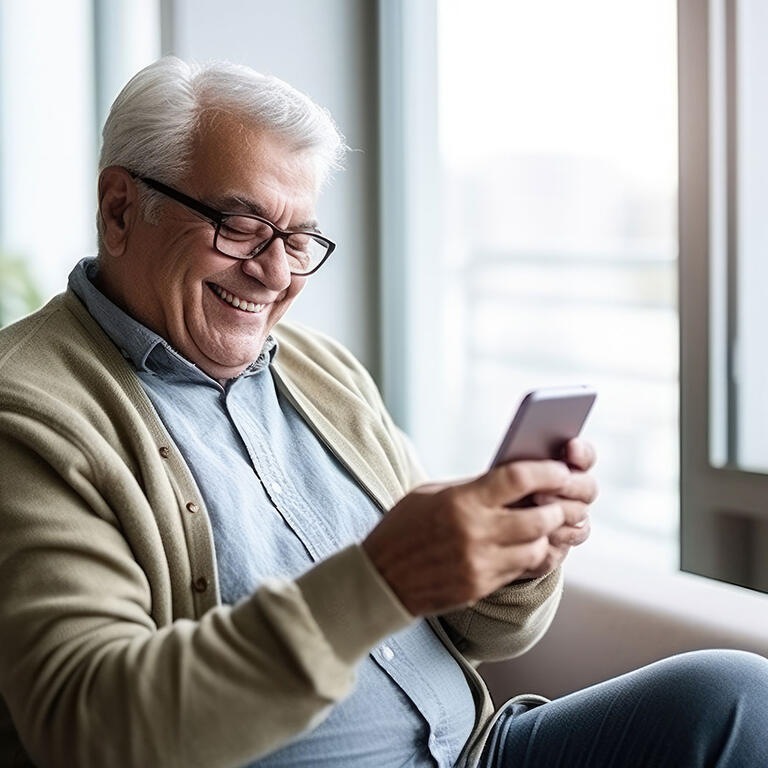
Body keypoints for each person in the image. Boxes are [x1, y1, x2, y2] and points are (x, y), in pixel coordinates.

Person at [0, 56, 765, 768]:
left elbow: (482, 633)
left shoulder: (318, 369)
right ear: (120, 208)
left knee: (733, 694)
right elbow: (89, 725)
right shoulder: (29, 410)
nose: (274, 273)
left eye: (298, 239)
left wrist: (516, 558)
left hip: (478, 749)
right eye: (239, 227)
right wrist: (383, 578)